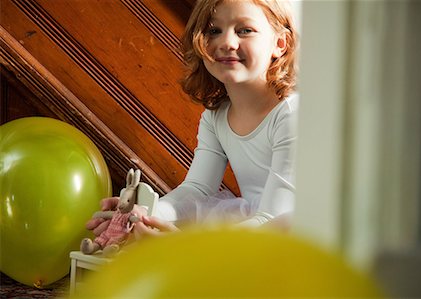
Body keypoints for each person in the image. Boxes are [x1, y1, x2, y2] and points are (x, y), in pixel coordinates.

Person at [87, 0, 298, 239]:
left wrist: (189, 246)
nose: (227, 43)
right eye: (213, 30)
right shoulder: (215, 117)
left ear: (280, 44)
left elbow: (274, 219)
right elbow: (196, 189)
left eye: (244, 30)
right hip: (257, 224)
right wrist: (143, 213)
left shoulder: (291, 113)